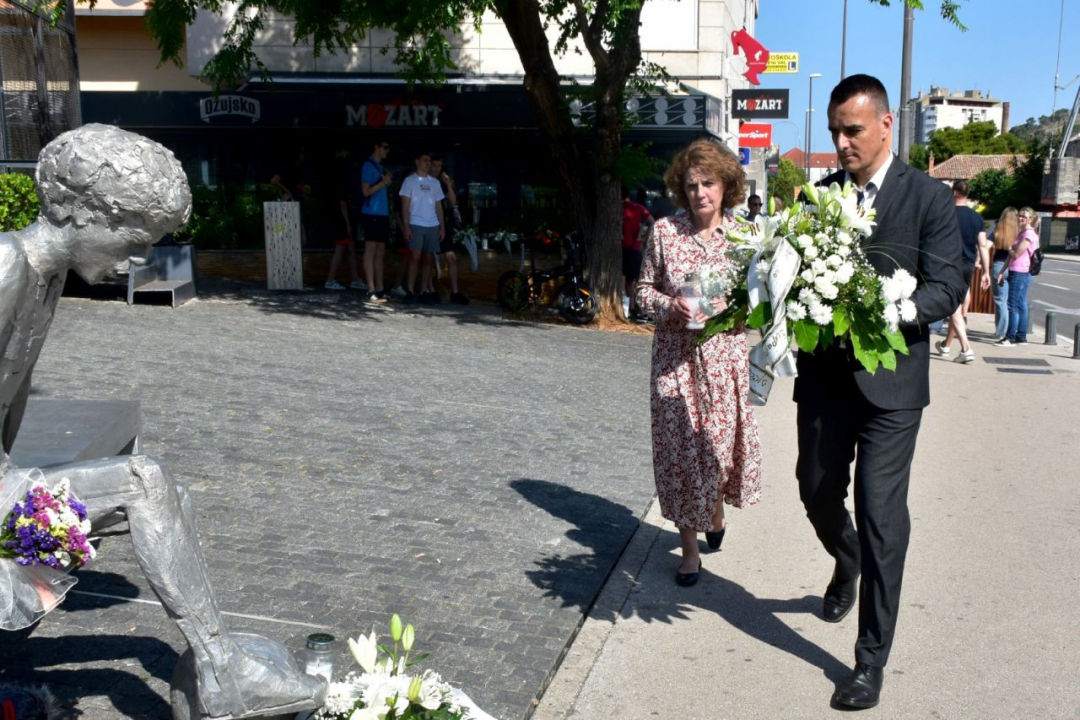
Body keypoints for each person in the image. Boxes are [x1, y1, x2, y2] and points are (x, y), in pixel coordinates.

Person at [0, 124, 325, 718]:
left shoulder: (43, 281)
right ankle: (223, 674)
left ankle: (218, 667)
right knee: (144, 481)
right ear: (76, 210)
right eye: (131, 236)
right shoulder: (6, 264)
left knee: (165, 493)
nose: (140, 257)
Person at [796, 75, 965, 709]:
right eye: (835, 130)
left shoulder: (927, 199)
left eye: (852, 130)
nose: (840, 142)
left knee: (881, 515)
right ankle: (846, 559)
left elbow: (945, 287)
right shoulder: (821, 197)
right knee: (815, 490)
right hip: (824, 382)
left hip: (893, 386)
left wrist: (885, 311)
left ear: (886, 125)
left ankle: (869, 661)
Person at [635, 139, 762, 589]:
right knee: (680, 455)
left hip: (725, 359)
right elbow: (642, 291)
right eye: (691, 185)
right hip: (675, 363)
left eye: (708, 183)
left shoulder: (746, 238)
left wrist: (735, 307)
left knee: (719, 451)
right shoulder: (665, 232)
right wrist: (672, 306)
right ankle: (689, 551)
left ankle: (715, 507)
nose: (699, 193)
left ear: (727, 185)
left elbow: (761, 304)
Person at [934, 181, 990, 363]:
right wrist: (986, 272)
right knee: (957, 303)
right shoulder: (976, 218)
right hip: (967, 265)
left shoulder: (946, 214)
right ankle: (946, 346)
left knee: (953, 305)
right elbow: (982, 245)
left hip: (949, 263)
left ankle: (966, 348)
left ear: (954, 192)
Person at [399, 151, 446, 304]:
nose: (428, 163)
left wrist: (442, 226)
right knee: (414, 257)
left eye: (429, 160)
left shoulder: (435, 183)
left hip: (432, 224)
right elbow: (405, 205)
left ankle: (423, 290)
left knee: (428, 258)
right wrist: (406, 226)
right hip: (416, 223)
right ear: (417, 161)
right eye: (425, 160)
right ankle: (410, 290)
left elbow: (439, 206)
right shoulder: (409, 181)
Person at [996, 207, 1040, 346]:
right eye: (1020, 216)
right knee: (1020, 304)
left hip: (1021, 271)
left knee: (1012, 305)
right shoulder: (1022, 233)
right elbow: (1011, 257)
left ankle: (1010, 337)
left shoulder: (1029, 235)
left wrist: (1009, 247)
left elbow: (1015, 254)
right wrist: (1002, 271)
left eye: (1024, 217)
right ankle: (1021, 336)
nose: (1021, 218)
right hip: (1018, 270)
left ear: (1031, 219)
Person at [357, 139, 394, 300]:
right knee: (371, 250)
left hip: (382, 213)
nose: (387, 150)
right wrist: (383, 184)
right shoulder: (367, 166)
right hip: (371, 213)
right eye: (385, 147)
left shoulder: (380, 167)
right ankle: (370, 288)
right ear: (376, 147)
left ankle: (379, 287)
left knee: (380, 251)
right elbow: (365, 191)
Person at [430, 155, 469, 304]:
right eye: (434, 165)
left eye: (439, 166)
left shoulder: (440, 183)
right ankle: (430, 289)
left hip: (442, 224)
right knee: (430, 259)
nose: (436, 169)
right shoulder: (424, 182)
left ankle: (455, 291)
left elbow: (452, 201)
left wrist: (448, 183)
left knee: (451, 257)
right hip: (429, 223)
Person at [325, 159, 366, 292]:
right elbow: (342, 204)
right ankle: (330, 280)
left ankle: (355, 279)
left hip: (335, 218)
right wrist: (348, 223)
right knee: (340, 248)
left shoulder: (331, 184)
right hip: (341, 221)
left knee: (350, 247)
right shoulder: (341, 184)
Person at [622, 187, 654, 322]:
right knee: (633, 281)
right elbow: (652, 222)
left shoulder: (620, 209)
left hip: (624, 247)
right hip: (635, 247)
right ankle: (634, 309)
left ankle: (629, 310)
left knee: (626, 281)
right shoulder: (638, 208)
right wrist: (644, 238)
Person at [989, 207, 1019, 340]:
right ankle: (1011, 331)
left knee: (1000, 301)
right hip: (1015, 267)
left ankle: (1001, 331)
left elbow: (986, 245)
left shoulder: (998, 231)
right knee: (1012, 301)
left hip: (999, 266)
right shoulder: (1020, 233)